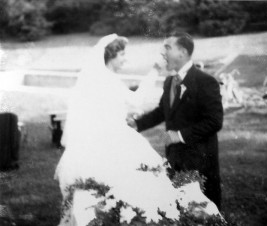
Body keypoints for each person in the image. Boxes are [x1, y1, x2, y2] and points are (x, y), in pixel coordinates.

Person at [54, 34, 220, 226]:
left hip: (113, 139)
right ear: (111, 56)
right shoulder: (107, 80)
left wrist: (137, 124)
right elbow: (138, 101)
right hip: (113, 141)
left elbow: (210, 119)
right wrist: (155, 71)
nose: (125, 59)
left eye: (167, 47)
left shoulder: (102, 79)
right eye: (123, 54)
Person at [128, 31, 224, 209]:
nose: (162, 53)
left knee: (202, 210)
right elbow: (162, 111)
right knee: (179, 208)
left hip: (200, 162)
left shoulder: (206, 81)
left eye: (167, 47)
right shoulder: (169, 81)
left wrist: (179, 135)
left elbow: (215, 121)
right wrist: (137, 124)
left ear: (183, 51)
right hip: (174, 158)